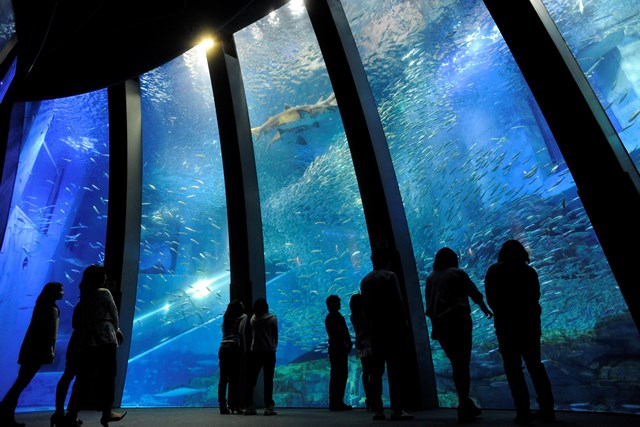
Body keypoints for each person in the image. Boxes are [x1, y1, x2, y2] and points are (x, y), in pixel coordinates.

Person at [484, 240, 555, 425]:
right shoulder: (529, 271)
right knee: (535, 366)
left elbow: (491, 298)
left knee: (513, 369)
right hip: (529, 326)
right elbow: (535, 297)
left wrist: (503, 313)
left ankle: (522, 411)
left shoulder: (494, 271)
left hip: (506, 327)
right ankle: (547, 409)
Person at [424, 247, 493, 423]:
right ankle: (464, 404)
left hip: (440, 328)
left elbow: (430, 304)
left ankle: (465, 403)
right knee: (462, 364)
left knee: (456, 363)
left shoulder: (431, 278)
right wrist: (485, 309)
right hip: (458, 323)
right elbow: (474, 293)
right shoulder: (457, 273)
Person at [63, 265, 126, 427]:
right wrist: (117, 329)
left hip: (87, 341)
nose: (106, 278)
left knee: (83, 379)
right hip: (105, 338)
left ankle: (72, 414)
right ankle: (107, 413)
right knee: (108, 377)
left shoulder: (84, 296)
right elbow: (113, 313)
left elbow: (76, 321)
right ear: (100, 278)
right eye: (104, 275)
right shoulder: (104, 293)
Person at [360, 248, 413, 421]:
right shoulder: (390, 276)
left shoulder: (365, 281)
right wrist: (404, 322)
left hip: (375, 330)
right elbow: (397, 301)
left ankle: (378, 410)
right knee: (395, 369)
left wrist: (368, 328)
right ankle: (397, 410)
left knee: (376, 370)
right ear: (386, 260)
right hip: (392, 328)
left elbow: (365, 308)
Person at [0, 282, 64, 427]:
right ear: (53, 292)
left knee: (20, 382)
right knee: (21, 384)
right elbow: (52, 334)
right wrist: (51, 351)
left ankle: (5, 412)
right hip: (38, 351)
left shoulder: (41, 306)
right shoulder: (52, 309)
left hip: (29, 349)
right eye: (60, 290)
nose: (62, 293)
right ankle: (5, 413)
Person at [244, 297, 278, 416]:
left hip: (255, 352)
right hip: (269, 352)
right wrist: (273, 346)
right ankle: (268, 407)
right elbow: (275, 335)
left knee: (251, 380)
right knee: (268, 380)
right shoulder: (272, 319)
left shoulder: (252, 319)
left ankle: (249, 406)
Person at [217, 299, 247, 414]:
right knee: (234, 378)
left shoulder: (226, 318)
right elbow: (241, 333)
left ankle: (222, 405)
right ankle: (234, 405)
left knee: (223, 378)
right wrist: (243, 349)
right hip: (234, 347)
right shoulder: (243, 316)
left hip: (223, 348)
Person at [325, 294, 353, 411]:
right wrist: (348, 343)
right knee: (341, 375)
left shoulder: (328, 318)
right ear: (335, 304)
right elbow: (344, 333)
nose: (340, 304)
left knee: (335, 375)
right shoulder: (338, 317)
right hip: (340, 349)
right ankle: (339, 402)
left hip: (333, 349)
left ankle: (333, 402)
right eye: (338, 302)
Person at [50, 330, 81, 427]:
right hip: (85, 341)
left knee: (68, 375)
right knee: (81, 379)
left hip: (78, 339)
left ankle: (59, 413)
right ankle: (71, 415)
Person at [349, 293, 373, 411]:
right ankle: (373, 398)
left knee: (366, 371)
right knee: (373, 370)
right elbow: (368, 327)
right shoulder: (365, 315)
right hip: (369, 343)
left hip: (360, 344)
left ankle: (369, 398)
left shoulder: (352, 316)